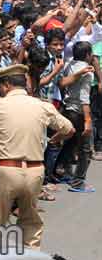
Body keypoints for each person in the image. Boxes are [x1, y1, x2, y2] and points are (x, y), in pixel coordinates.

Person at [0, 64, 74, 248]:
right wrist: (54, 139)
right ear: (24, 83)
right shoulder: (42, 106)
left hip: (6, 170)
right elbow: (69, 129)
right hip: (35, 172)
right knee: (31, 224)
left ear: (6, 85)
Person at [57, 41, 95, 192]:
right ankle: (78, 182)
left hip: (68, 109)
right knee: (85, 149)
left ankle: (65, 172)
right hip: (79, 111)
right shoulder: (87, 72)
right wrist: (88, 120)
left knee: (70, 143)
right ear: (87, 55)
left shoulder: (68, 65)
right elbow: (84, 98)